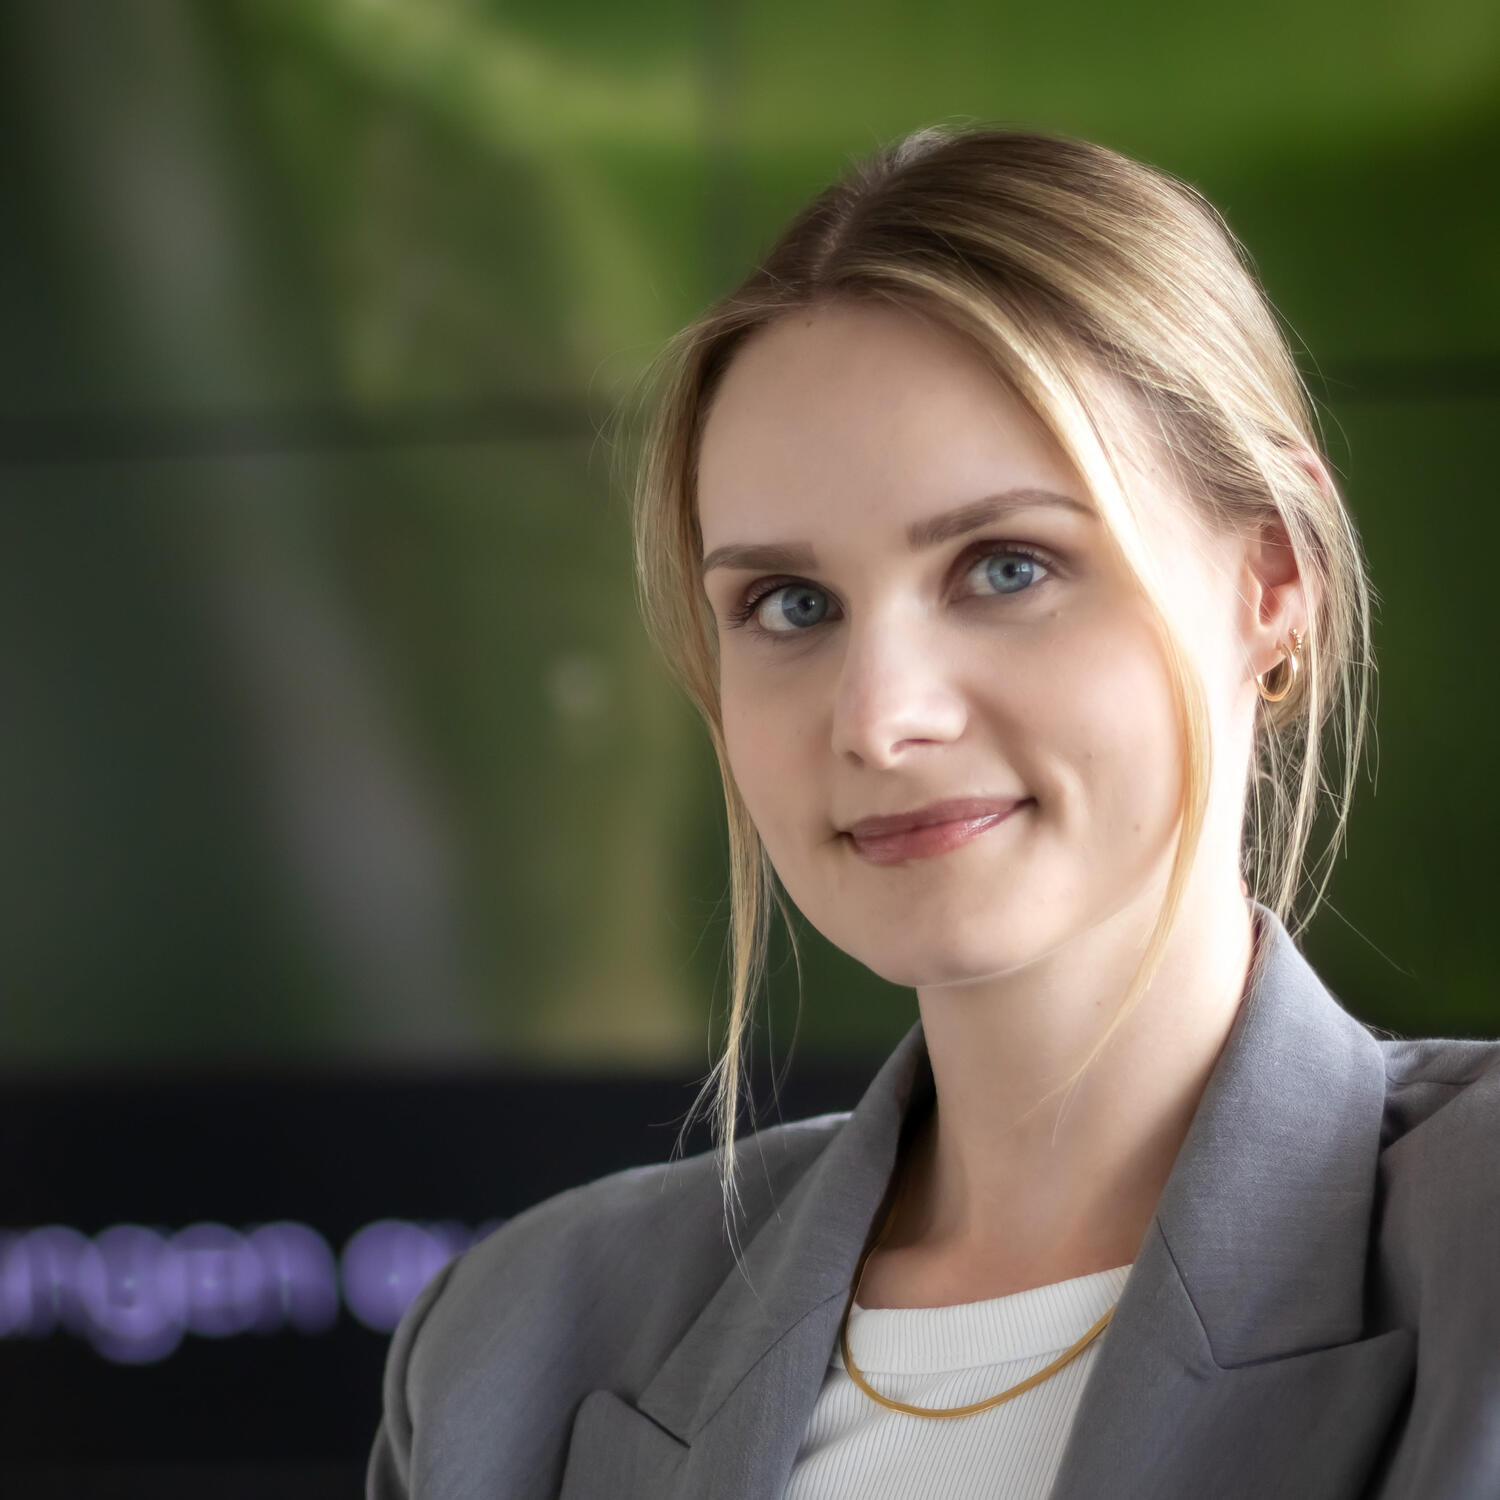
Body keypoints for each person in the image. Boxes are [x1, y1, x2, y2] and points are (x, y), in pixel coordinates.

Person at [366, 125, 1500, 1500]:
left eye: (1007, 566)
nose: (879, 716)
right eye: (790, 606)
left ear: (1269, 579)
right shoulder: (513, 1347)